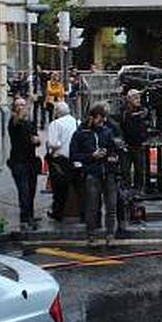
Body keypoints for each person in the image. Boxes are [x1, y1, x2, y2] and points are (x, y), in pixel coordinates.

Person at [70, 103, 120, 244]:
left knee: (111, 206)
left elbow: (113, 150)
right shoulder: (81, 134)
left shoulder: (107, 131)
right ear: (92, 118)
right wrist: (92, 156)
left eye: (103, 118)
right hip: (92, 173)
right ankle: (91, 234)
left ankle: (110, 234)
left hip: (108, 172)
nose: (102, 121)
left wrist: (112, 156)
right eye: (99, 118)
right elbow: (74, 155)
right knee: (92, 206)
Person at [7, 98, 41, 231]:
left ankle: (30, 216)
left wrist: (37, 140)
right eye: (18, 105)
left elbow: (36, 138)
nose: (21, 107)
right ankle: (24, 218)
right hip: (18, 162)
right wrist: (30, 102)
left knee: (31, 191)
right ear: (14, 108)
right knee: (24, 191)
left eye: (23, 104)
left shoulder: (29, 122)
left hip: (31, 161)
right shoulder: (14, 122)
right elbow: (19, 118)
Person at [45, 100, 78, 222]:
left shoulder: (55, 124)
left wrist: (49, 143)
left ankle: (58, 212)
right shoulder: (76, 121)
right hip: (74, 159)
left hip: (60, 160)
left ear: (57, 112)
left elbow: (53, 143)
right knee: (76, 186)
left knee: (59, 188)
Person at [117, 89, 150, 191]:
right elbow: (119, 127)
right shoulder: (123, 111)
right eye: (135, 98)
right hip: (127, 146)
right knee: (125, 171)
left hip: (139, 146)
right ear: (129, 99)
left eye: (139, 97)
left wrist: (144, 136)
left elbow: (146, 124)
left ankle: (138, 191)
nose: (138, 100)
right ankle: (126, 192)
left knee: (140, 171)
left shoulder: (143, 110)